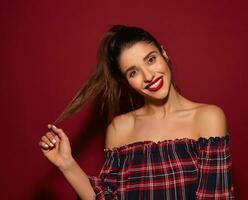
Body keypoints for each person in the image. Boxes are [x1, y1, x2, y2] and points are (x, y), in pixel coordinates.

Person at [38, 24, 235, 199]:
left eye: (150, 59)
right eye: (133, 72)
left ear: (163, 54)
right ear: (126, 81)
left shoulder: (208, 117)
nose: (149, 76)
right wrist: (67, 163)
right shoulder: (120, 128)